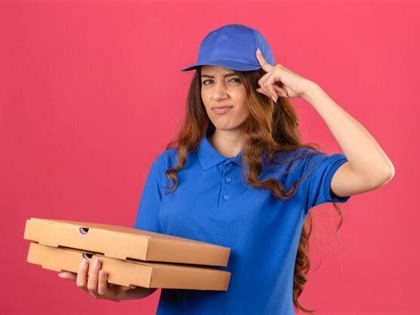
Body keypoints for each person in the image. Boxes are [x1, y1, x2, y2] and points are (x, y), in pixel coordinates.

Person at [58, 24, 395, 314]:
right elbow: (146, 272)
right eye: (207, 81)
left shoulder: (293, 169)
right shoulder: (170, 167)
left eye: (232, 80)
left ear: (260, 85)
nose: (218, 94)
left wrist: (311, 91)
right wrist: (114, 289)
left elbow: (377, 170)